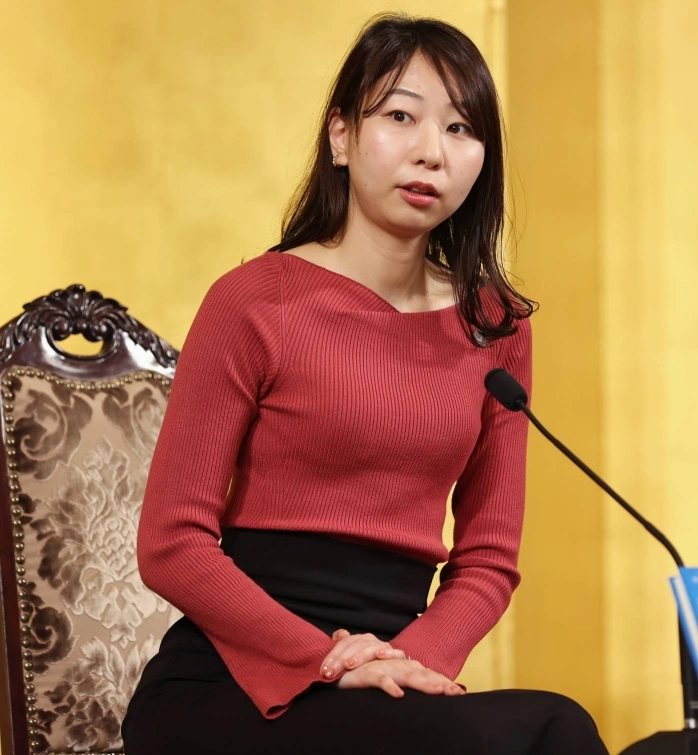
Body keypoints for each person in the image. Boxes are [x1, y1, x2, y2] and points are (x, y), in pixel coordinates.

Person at [122, 12, 610, 755]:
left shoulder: (497, 326)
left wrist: (403, 660)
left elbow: (488, 557)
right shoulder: (254, 302)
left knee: (559, 726)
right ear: (341, 135)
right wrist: (325, 659)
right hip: (228, 686)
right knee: (436, 741)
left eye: (459, 129)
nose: (429, 153)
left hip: (394, 679)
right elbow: (170, 542)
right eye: (401, 117)